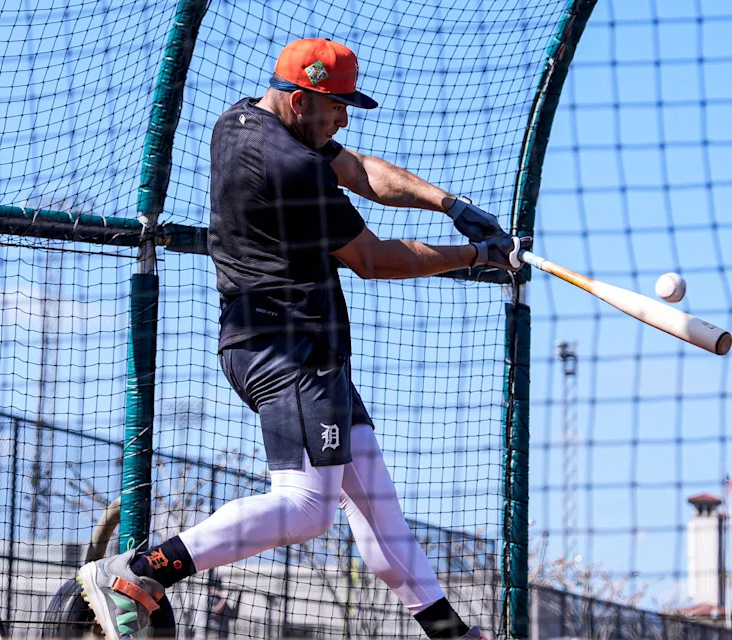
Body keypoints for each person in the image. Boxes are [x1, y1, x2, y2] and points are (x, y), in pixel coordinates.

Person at [77, 37, 530, 640]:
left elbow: (360, 170)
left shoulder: (240, 120)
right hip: (286, 349)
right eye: (336, 107)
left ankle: (451, 633)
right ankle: (138, 571)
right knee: (306, 508)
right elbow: (371, 258)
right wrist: (477, 255)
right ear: (298, 100)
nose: (343, 118)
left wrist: (452, 204)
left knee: (378, 513)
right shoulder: (292, 167)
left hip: (297, 349)